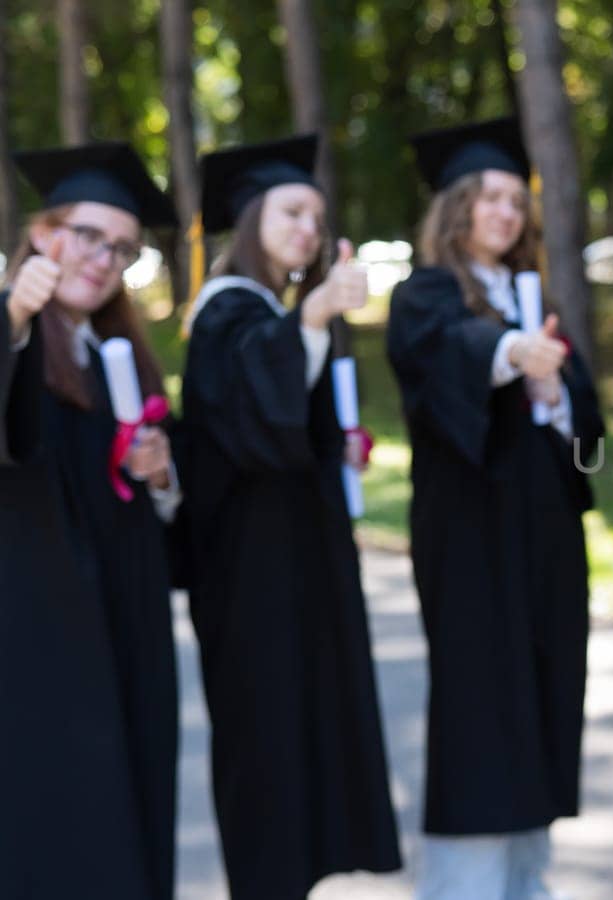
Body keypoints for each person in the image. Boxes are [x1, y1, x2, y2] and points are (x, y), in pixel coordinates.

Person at [386, 117, 604, 900]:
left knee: (544, 694)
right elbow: (437, 354)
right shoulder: (427, 291)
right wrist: (512, 353)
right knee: (483, 707)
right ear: (457, 208)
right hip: (470, 533)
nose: (507, 213)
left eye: (517, 200)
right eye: (490, 198)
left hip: (545, 531)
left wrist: (554, 393)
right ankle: (462, 886)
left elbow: (585, 417)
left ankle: (526, 879)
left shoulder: (533, 292)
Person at [181, 134, 401, 900]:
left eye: (315, 215)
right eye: (291, 211)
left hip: (289, 574)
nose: (308, 228)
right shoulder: (224, 312)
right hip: (250, 585)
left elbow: (278, 423)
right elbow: (252, 414)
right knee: (268, 754)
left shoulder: (263, 311)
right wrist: (310, 317)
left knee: (300, 746)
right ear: (249, 221)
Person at [0, 142, 180, 899]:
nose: (103, 259)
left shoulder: (118, 350)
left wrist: (161, 474)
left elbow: (157, 501)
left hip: (123, 620)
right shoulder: (15, 326)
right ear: (44, 233)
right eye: (87, 235)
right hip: (38, 633)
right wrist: (12, 314)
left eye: (122, 248)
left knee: (130, 801)